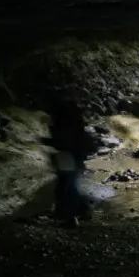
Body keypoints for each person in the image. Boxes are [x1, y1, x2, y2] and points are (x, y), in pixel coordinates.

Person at [45, 94, 96, 226]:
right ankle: (74, 212)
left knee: (66, 186)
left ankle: (72, 216)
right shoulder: (74, 119)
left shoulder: (63, 119)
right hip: (75, 153)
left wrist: (49, 142)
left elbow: (63, 140)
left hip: (69, 154)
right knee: (67, 184)